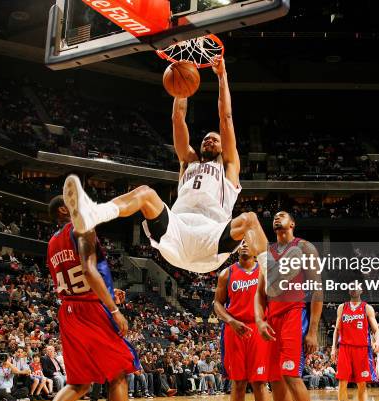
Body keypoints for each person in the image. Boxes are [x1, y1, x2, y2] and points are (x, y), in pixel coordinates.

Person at [61, 56, 268, 274]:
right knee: (144, 193)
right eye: (206, 138)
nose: (209, 140)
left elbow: (226, 118)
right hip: (176, 232)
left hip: (212, 236)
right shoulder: (187, 162)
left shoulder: (228, 167)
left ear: (223, 147)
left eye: (214, 139)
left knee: (250, 219)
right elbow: (178, 118)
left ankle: (271, 278)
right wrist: (181, 89)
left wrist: (221, 75)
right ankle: (95, 213)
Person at [46, 197, 140, 401]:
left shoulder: (52, 244)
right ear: (64, 209)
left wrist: (106, 292)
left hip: (69, 310)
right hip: (88, 310)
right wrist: (114, 309)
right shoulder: (82, 228)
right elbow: (88, 271)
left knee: (79, 384)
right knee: (119, 374)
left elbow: (73, 280)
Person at [254, 211, 323, 401]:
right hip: (271, 320)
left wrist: (312, 331)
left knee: (290, 374)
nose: (277, 217)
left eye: (282, 215)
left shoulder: (304, 247)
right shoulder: (267, 253)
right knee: (275, 378)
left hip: (294, 314)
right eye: (275, 216)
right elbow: (259, 293)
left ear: (292, 223)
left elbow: (317, 290)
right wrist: (259, 320)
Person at [214, 242, 270, 401]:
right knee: (238, 383)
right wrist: (230, 320)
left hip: (258, 328)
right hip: (235, 329)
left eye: (248, 242)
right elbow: (217, 303)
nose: (244, 244)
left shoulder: (265, 271)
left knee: (260, 382)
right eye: (241, 242)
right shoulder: (226, 273)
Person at [331, 289, 379, 401]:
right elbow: (337, 330)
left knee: (361, 384)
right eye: (351, 287)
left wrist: (377, 341)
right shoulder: (342, 307)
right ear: (349, 291)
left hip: (361, 349)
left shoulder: (367, 308)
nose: (354, 289)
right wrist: (334, 347)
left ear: (361, 290)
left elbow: (376, 330)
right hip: (345, 348)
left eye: (356, 287)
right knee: (342, 382)